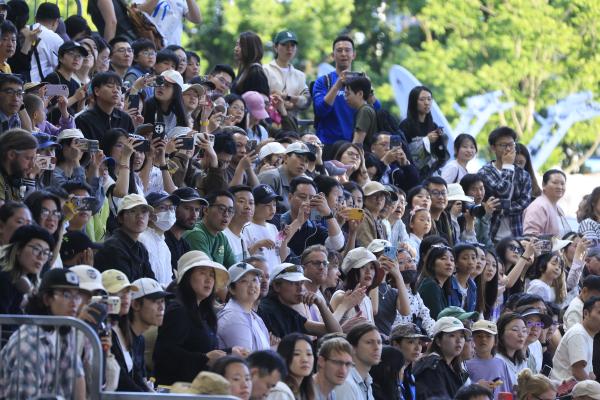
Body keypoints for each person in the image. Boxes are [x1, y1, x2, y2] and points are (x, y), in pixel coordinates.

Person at [0, 268, 86, 399]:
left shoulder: (65, 331)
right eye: (66, 295)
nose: (74, 303)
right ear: (46, 299)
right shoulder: (29, 343)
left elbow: (77, 378)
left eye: (77, 296)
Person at [154, 250, 231, 385]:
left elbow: (201, 349)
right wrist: (204, 359)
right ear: (187, 277)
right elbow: (164, 355)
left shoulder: (204, 313)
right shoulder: (178, 311)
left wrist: (230, 352)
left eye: (212, 275)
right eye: (202, 273)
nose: (209, 279)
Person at [312, 35, 380, 147]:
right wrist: (338, 85)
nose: (343, 54)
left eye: (347, 50)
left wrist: (368, 89)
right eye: (339, 50)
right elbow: (320, 110)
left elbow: (377, 111)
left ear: (354, 55)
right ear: (333, 55)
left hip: (356, 145)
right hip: (329, 145)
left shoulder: (361, 82)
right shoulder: (323, 81)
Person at [111, 277, 171, 392]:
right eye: (155, 301)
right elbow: (122, 382)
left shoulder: (140, 339)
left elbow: (139, 380)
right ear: (136, 305)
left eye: (162, 301)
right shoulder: (115, 335)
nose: (162, 307)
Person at [258, 263, 342, 338]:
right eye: (293, 283)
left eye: (301, 283)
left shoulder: (288, 312)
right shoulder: (265, 310)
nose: (300, 289)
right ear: (276, 286)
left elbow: (336, 332)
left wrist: (321, 304)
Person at [478, 126, 532, 240]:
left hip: (516, 236)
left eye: (511, 145)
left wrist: (501, 208)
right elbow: (502, 193)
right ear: (493, 148)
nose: (508, 149)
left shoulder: (523, 175)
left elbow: (524, 203)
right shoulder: (484, 173)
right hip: (491, 236)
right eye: (503, 145)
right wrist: (507, 166)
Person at [279, 176, 344, 260]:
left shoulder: (315, 229)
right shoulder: (277, 220)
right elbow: (278, 242)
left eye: (311, 198)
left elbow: (337, 245)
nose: (307, 202)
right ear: (290, 197)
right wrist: (298, 222)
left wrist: (328, 214)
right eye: (302, 197)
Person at [94, 193, 155, 281]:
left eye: (144, 211)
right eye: (133, 211)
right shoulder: (113, 247)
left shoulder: (141, 248)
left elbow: (151, 280)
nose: (140, 216)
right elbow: (126, 287)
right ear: (120, 218)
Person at [0, 224, 54, 315]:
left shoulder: (30, 283)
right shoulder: (4, 278)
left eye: (46, 253)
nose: (41, 257)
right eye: (36, 249)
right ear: (18, 249)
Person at [413, 316, 470, 399]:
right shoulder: (432, 367)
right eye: (452, 335)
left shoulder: (448, 366)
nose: (459, 340)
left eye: (462, 336)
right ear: (438, 341)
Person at [217, 261, 270, 351]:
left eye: (254, 280)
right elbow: (246, 359)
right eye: (244, 281)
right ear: (232, 289)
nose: (252, 285)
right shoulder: (233, 318)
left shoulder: (255, 316)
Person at [399, 86, 448, 180]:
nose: (427, 103)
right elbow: (404, 151)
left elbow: (441, 155)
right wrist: (426, 140)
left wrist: (440, 139)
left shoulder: (433, 126)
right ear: (414, 102)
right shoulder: (405, 125)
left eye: (429, 99)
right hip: (411, 175)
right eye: (422, 99)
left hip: (429, 175)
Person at [550, 296, 600, 382]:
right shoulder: (578, 333)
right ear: (586, 313)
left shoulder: (588, 334)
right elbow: (578, 372)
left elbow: (590, 374)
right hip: (564, 392)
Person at [75, 71, 135, 142]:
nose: (116, 90)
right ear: (97, 91)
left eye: (118, 88)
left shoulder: (125, 119)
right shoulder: (83, 120)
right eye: (110, 86)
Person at [184, 190, 237, 268]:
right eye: (221, 209)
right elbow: (209, 272)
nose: (226, 214)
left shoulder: (221, 237)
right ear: (206, 210)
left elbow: (235, 269)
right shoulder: (195, 234)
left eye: (230, 210)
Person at [263, 30, 310, 117]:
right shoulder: (265, 70)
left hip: (292, 124)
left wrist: (287, 97)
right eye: (284, 44)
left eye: (293, 45)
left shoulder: (300, 75)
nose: (289, 48)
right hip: (269, 122)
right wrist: (287, 104)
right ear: (275, 47)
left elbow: (306, 101)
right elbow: (261, 98)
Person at [258, 141, 315, 213]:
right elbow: (261, 212)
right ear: (285, 158)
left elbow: (313, 214)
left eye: (306, 161)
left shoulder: (307, 182)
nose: (303, 163)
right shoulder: (271, 177)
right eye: (299, 157)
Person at [139, 191, 179, 286]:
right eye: (162, 208)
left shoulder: (165, 247)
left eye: (171, 208)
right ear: (149, 214)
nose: (169, 212)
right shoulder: (141, 239)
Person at [334, 323, 382, 400]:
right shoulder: (345, 384)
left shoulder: (367, 381)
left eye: (379, 342)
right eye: (369, 342)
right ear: (352, 348)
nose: (377, 347)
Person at [465, 319, 513, 396]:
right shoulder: (466, 363)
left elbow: (508, 389)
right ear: (472, 340)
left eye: (488, 336)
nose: (483, 339)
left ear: (495, 341)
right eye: (479, 336)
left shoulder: (501, 363)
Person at [165, 187, 207, 274]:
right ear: (174, 208)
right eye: (187, 208)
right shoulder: (162, 240)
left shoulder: (184, 245)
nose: (194, 215)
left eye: (197, 210)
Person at [267, 333, 315, 400]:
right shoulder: (279, 391)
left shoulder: (306, 390)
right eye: (297, 354)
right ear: (284, 357)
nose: (305, 359)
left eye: (309, 354)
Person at [523, 169, 569, 236]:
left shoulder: (559, 209)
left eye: (562, 184)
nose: (559, 187)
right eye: (555, 183)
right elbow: (531, 236)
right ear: (543, 185)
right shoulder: (538, 206)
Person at [390, 323, 430, 400]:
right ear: (396, 344)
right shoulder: (386, 375)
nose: (418, 348)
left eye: (419, 343)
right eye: (411, 342)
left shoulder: (410, 376)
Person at [417, 245, 456, 319]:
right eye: (443, 258)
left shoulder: (438, 286)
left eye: (452, 260)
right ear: (431, 263)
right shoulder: (430, 286)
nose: (449, 263)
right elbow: (438, 320)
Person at [0, 128, 37, 202]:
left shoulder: (14, 176)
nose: (32, 165)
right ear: (11, 155)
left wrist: (29, 179)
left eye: (34, 159)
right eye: (28, 158)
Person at [495, 312, 529, 392]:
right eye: (515, 330)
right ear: (501, 334)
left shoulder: (522, 361)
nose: (521, 334)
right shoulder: (496, 360)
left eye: (524, 331)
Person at [30, 2, 63, 82]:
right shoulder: (56, 39)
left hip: (18, 82)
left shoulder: (24, 30)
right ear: (56, 21)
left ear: (35, 18)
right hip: (37, 88)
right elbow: (60, 66)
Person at [231, 31, 269, 97]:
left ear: (251, 49)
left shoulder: (256, 73)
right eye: (237, 44)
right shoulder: (244, 69)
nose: (236, 49)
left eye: (241, 46)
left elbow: (261, 101)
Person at [344, 76, 376, 146]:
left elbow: (357, 143)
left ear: (360, 94)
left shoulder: (364, 111)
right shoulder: (369, 108)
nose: (346, 98)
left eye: (348, 94)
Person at [357, 181, 390, 246]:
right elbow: (369, 246)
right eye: (374, 195)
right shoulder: (361, 216)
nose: (379, 198)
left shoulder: (382, 224)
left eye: (382, 195)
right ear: (364, 199)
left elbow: (388, 248)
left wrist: (395, 253)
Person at [451, 243, 479, 312]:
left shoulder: (472, 286)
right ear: (456, 262)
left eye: (473, 258)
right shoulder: (449, 284)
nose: (470, 262)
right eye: (465, 258)